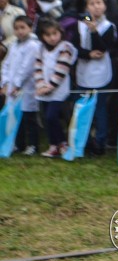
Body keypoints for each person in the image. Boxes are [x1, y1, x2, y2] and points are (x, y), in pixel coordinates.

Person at [70, 0, 116, 156]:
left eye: (99, 3)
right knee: (82, 107)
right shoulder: (82, 24)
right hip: (84, 70)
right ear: (87, 7)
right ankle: (85, 141)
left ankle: (100, 143)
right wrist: (87, 54)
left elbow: (103, 48)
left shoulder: (108, 26)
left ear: (104, 6)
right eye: (92, 4)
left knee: (100, 109)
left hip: (100, 71)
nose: (96, 7)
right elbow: (75, 47)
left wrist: (95, 31)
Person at [35, 17, 78, 158]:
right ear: (42, 37)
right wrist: (41, 84)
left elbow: (61, 69)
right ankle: (53, 145)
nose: (52, 38)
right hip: (43, 90)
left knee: (52, 116)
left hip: (58, 91)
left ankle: (62, 142)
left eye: (55, 34)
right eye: (48, 35)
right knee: (47, 119)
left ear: (60, 32)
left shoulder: (65, 48)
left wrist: (50, 87)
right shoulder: (40, 49)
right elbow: (37, 67)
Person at [3, 15, 40, 155]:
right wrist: (5, 82)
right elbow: (6, 64)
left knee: (28, 117)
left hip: (26, 88)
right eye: (17, 28)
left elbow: (26, 68)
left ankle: (33, 145)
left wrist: (17, 85)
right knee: (15, 117)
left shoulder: (33, 45)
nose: (19, 31)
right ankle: (19, 144)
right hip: (12, 88)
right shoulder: (14, 45)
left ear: (30, 28)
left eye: (23, 28)